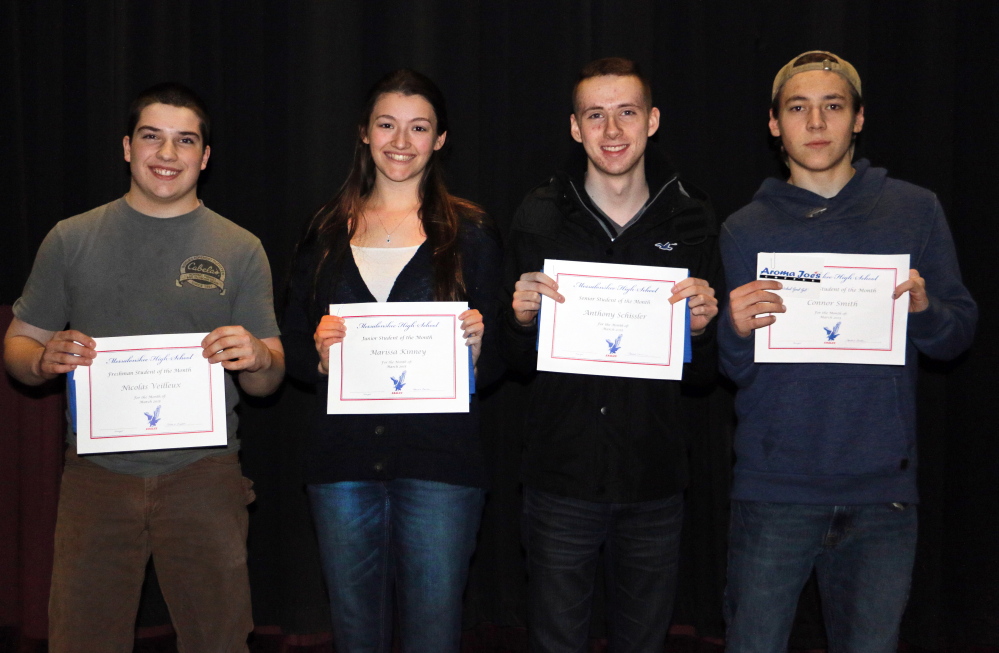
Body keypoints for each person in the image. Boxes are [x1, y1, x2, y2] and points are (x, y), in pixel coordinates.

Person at [3, 83, 284, 652]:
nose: (167, 154)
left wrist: (257, 356)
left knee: (219, 639)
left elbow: (269, 375)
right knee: (83, 638)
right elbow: (17, 347)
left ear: (204, 157)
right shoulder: (71, 238)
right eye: (152, 137)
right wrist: (41, 358)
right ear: (127, 147)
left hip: (205, 475)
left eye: (185, 140)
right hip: (95, 476)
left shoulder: (240, 247)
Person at [718, 51, 978, 652]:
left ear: (858, 120)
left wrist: (926, 312)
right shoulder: (743, 229)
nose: (816, 123)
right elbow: (736, 370)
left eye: (832, 107)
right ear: (774, 124)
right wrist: (732, 331)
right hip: (774, 492)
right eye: (798, 108)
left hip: (882, 496)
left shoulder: (916, 210)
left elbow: (958, 332)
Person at [501, 57, 721, 652]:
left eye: (626, 113)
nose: (613, 131)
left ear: (652, 121)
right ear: (576, 128)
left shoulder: (693, 215)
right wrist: (519, 323)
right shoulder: (538, 214)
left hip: (654, 481)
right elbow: (514, 365)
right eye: (595, 116)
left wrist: (702, 332)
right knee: (556, 642)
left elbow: (704, 374)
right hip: (559, 479)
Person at [282, 68, 502, 653]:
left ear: (440, 139)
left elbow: (506, 358)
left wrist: (483, 346)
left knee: (434, 634)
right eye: (386, 125)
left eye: (418, 127)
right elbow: (291, 348)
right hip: (342, 466)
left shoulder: (473, 232)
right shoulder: (324, 230)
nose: (401, 142)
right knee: (355, 635)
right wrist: (318, 350)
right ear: (363, 133)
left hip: (441, 467)